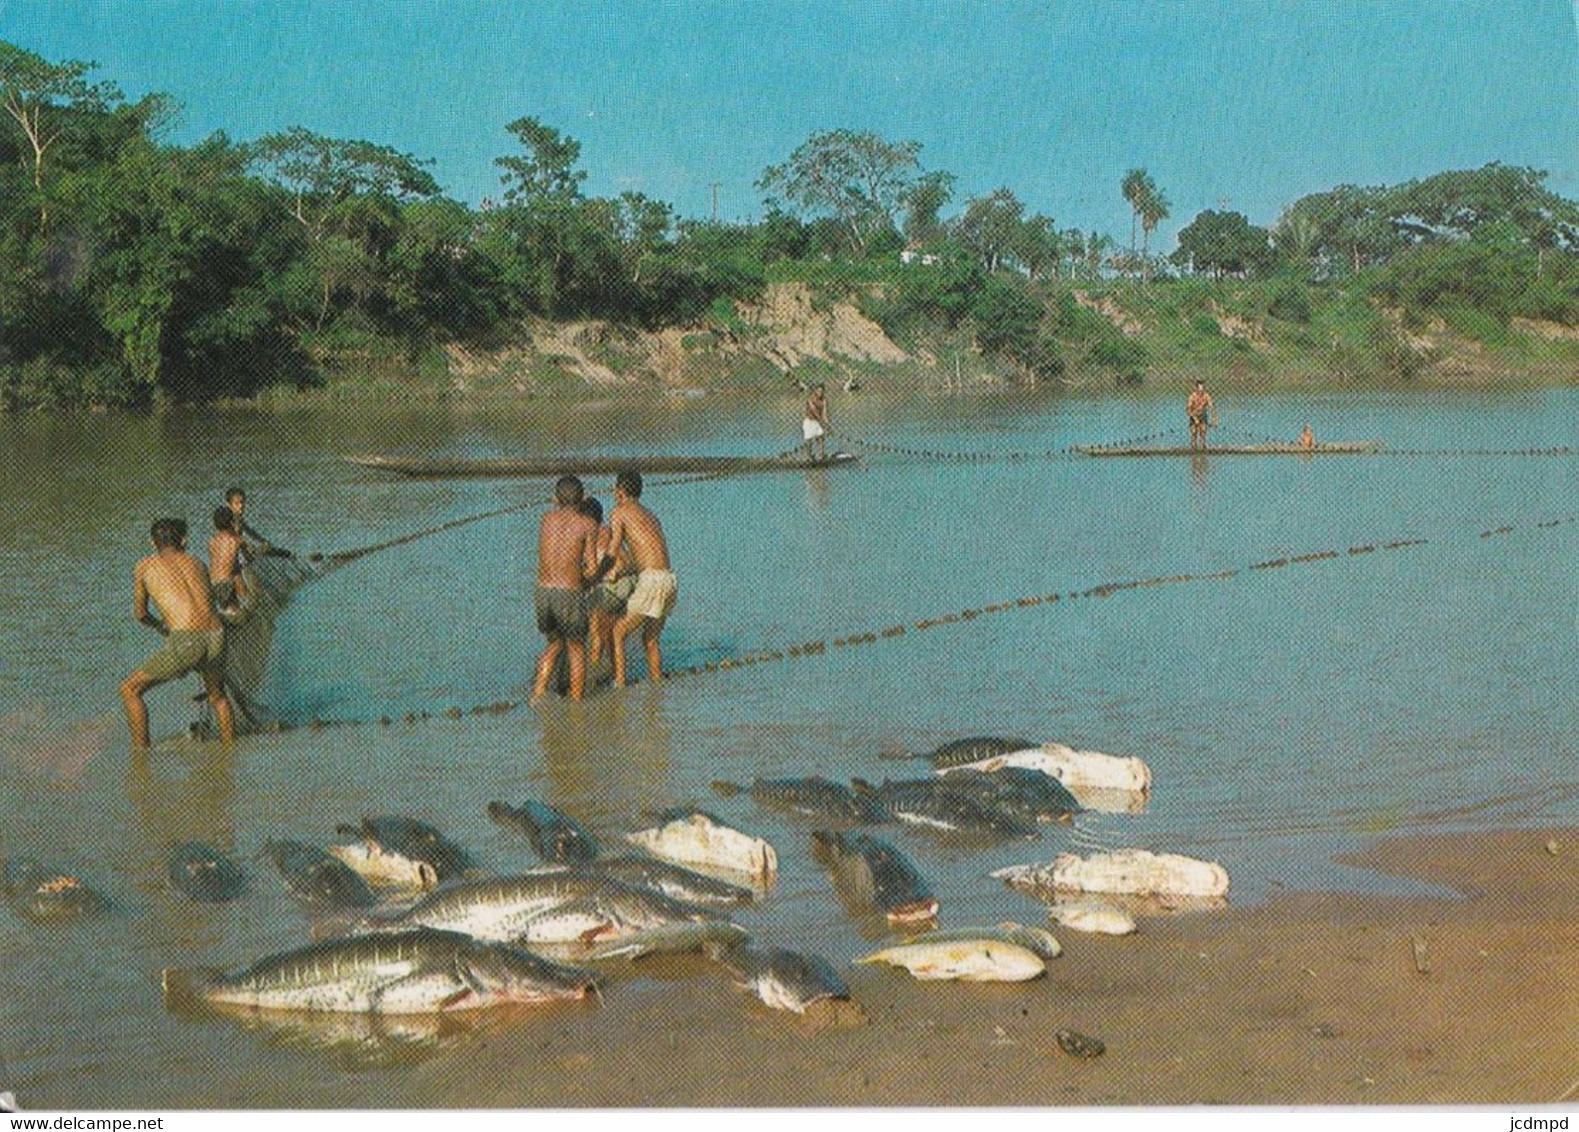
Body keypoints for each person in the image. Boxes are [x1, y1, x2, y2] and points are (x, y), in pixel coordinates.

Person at [119, 518, 235, 750]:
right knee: (218, 697)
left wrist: (160, 626)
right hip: (217, 636)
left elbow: (141, 614)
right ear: (184, 540)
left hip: (187, 641)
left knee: (130, 689)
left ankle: (141, 758)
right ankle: (230, 752)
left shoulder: (144, 566)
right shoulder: (198, 563)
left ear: (153, 542)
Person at [603, 470, 676, 687]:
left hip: (652, 581)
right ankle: (656, 684)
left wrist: (599, 574)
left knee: (618, 632)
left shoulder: (619, 512)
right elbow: (645, 555)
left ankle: (620, 685)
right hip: (669, 580)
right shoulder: (650, 515)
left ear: (619, 492)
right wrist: (622, 572)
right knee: (650, 639)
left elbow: (613, 550)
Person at [531, 476, 600, 703]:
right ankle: (577, 703)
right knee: (576, 647)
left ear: (555, 499)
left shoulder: (546, 519)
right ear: (581, 500)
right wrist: (590, 581)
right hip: (569, 593)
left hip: (543, 593)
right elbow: (591, 567)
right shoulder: (588, 524)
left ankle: (539, 694)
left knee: (554, 643)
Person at [580, 496, 635, 677]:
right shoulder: (602, 532)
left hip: (613, 589)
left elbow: (624, 562)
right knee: (609, 634)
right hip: (621, 589)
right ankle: (615, 677)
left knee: (597, 633)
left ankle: (592, 679)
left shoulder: (600, 533)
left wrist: (614, 572)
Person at [208, 507, 247, 620]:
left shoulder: (212, 541)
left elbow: (218, 562)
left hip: (213, 582)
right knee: (236, 610)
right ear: (232, 522)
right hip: (227, 583)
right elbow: (248, 555)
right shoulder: (236, 540)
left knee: (224, 608)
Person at [802, 383, 830, 463]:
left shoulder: (824, 400)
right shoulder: (811, 399)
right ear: (815, 391)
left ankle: (820, 455)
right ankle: (808, 457)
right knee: (809, 440)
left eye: (822, 391)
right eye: (819, 391)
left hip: (817, 422)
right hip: (809, 421)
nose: (820, 393)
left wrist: (827, 424)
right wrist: (821, 421)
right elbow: (814, 411)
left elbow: (824, 413)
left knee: (821, 437)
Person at [1186, 380, 1216, 450]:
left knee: (1203, 431)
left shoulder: (1206, 396)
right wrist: (1195, 418)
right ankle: (1193, 447)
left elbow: (1211, 407)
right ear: (1196, 389)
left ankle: (1203, 447)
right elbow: (1188, 410)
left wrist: (1214, 418)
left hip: (1202, 414)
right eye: (1199, 389)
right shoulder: (1192, 396)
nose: (1201, 391)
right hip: (1194, 414)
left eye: (1202, 389)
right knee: (1194, 432)